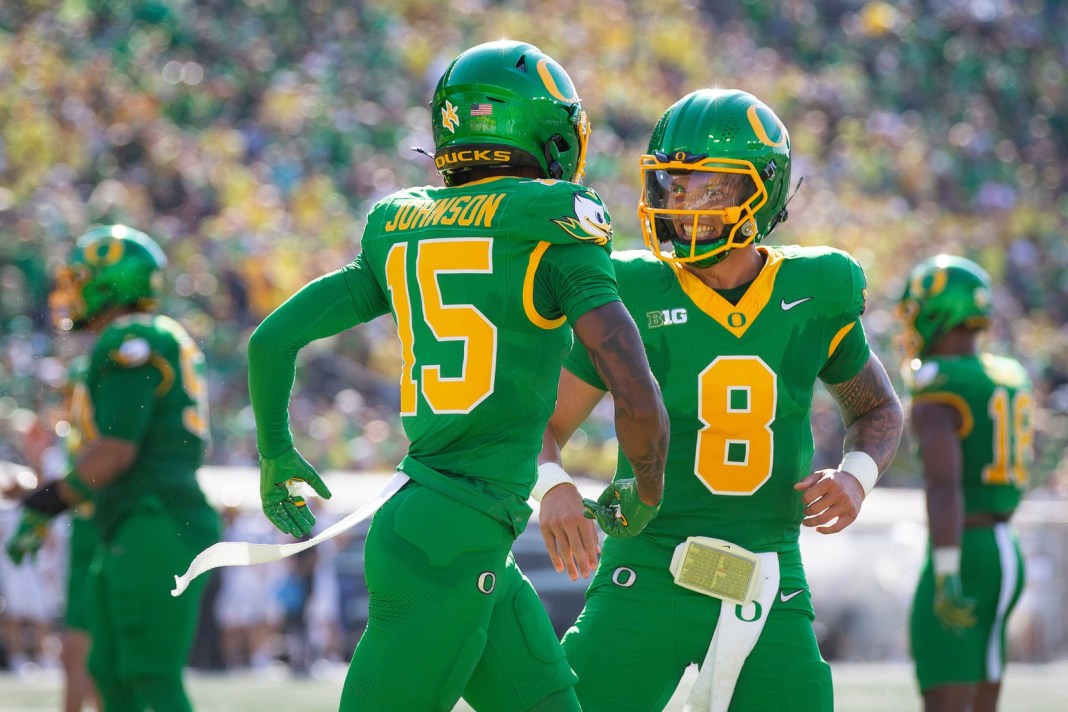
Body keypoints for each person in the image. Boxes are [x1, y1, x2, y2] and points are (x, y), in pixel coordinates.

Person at [246, 40, 668, 711]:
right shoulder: (551, 221)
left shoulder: (400, 223)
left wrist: (275, 452)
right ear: (547, 129)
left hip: (449, 528)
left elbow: (271, 340)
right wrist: (646, 486)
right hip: (452, 538)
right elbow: (634, 385)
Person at [533, 88, 904, 712]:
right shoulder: (628, 287)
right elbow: (541, 424)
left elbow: (878, 408)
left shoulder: (818, 287)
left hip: (768, 574)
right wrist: (553, 487)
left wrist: (858, 475)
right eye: (673, 188)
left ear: (763, 190)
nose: (683, 208)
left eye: (708, 189)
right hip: (646, 569)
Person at [5, 224, 221, 712]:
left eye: (80, 279)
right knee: (108, 674)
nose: (70, 292)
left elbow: (116, 450)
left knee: (149, 676)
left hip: (155, 517)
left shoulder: (129, 339)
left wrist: (46, 503)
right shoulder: (147, 336)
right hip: (131, 519)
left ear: (111, 281)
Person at [898, 255, 1031, 712]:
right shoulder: (1008, 374)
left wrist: (947, 566)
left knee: (945, 692)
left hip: (967, 547)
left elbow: (944, 485)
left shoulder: (942, 381)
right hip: (1004, 546)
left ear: (938, 311)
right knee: (982, 693)